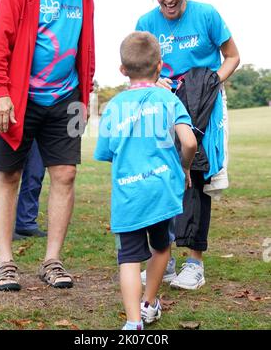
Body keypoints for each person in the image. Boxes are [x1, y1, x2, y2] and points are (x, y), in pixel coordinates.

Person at [0, 0, 95, 291]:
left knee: (66, 174)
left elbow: (85, 44)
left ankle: (52, 261)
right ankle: (5, 262)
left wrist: (86, 94)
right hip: (16, 98)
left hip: (67, 98)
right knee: (9, 176)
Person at [136, 0, 240, 290]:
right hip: (163, 107)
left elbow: (233, 56)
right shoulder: (145, 22)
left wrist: (212, 82)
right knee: (161, 177)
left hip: (203, 107)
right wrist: (154, 81)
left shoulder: (207, 15)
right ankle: (161, 260)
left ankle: (195, 263)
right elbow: (141, 66)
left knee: (195, 175)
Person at [94, 31, 197, 330]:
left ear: (123, 70)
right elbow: (189, 143)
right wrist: (184, 168)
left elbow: (107, 152)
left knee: (128, 257)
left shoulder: (113, 107)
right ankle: (149, 303)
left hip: (129, 194)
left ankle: (133, 321)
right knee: (161, 247)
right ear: (160, 66)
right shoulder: (168, 98)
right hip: (162, 190)